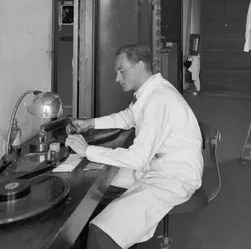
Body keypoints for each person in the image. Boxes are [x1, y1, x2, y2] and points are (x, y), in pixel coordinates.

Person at [65, 44, 204, 249]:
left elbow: (137, 158)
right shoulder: (151, 92)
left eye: (121, 71)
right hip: (155, 166)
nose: (117, 78)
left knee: (102, 233)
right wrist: (91, 123)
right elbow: (128, 117)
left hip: (172, 177)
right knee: (97, 186)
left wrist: (87, 150)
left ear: (139, 66)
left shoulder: (159, 99)